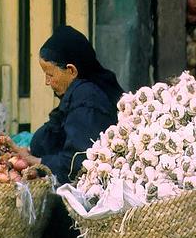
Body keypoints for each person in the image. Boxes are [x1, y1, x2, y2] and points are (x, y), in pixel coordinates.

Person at [8, 24, 124, 185]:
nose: (47, 82)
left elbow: (78, 162)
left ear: (71, 70)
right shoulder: (76, 95)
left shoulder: (88, 100)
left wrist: (33, 160)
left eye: (50, 74)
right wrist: (25, 153)